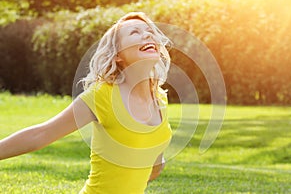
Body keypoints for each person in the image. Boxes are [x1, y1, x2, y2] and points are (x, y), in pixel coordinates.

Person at [0, 12, 172, 193]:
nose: (147, 34)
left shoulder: (160, 98)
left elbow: (153, 162)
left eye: (150, 31)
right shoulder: (102, 96)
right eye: (135, 32)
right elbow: (41, 134)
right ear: (117, 55)